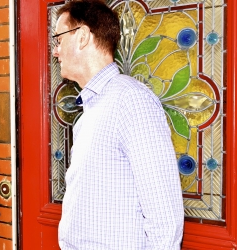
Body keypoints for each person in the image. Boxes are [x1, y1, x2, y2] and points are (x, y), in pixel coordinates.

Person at [52, 0, 184, 249]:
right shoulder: (89, 111)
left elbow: (165, 218)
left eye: (58, 39)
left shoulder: (131, 101)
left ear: (81, 37)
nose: (55, 51)